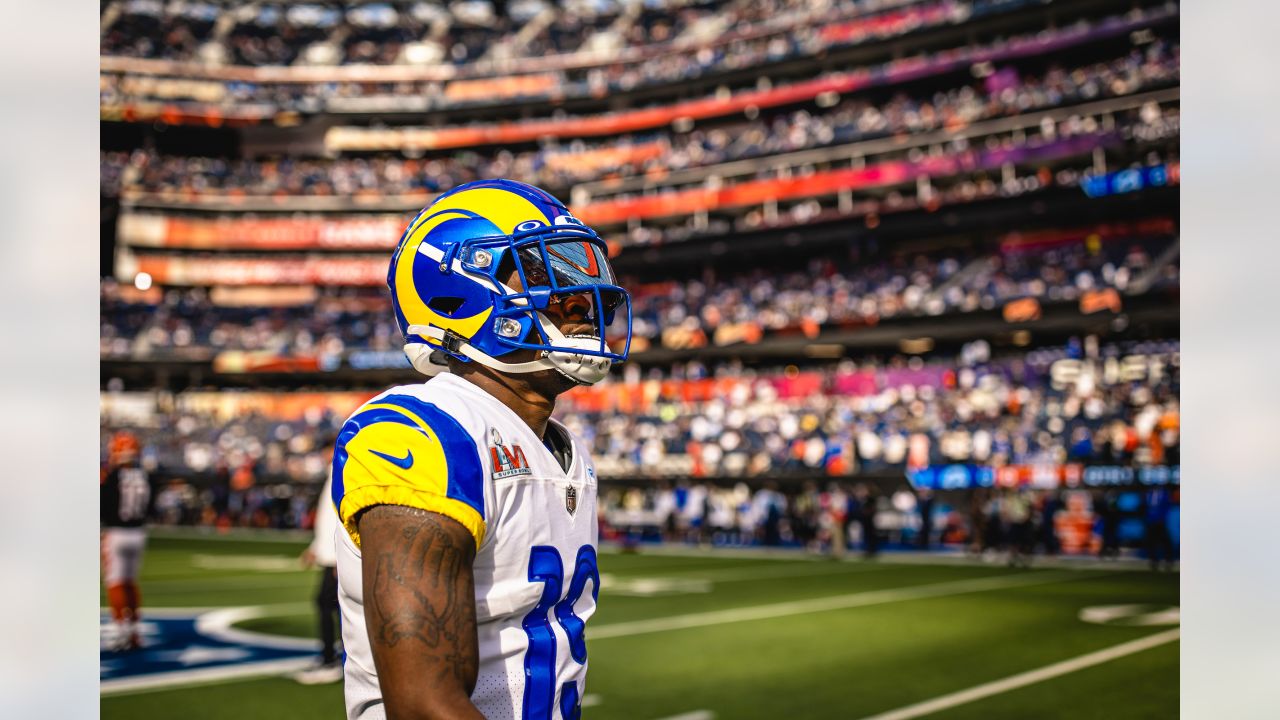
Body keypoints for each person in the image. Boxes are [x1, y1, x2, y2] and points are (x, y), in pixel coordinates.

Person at [332, 180, 631, 719]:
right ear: (457, 291)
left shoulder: (562, 449)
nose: (579, 296)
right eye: (545, 272)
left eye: (582, 273)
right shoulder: (425, 434)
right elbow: (426, 706)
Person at [100, 430, 156, 651]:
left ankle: (121, 630)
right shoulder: (146, 476)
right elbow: (150, 507)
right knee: (131, 583)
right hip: (138, 533)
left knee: (115, 582)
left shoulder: (111, 476)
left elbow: (103, 505)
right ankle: (134, 631)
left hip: (117, 533)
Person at [294, 438, 343, 685]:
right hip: (331, 555)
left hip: (337, 557)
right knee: (332, 606)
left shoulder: (341, 469)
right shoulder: (333, 470)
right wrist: (315, 547)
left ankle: (332, 660)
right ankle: (335, 658)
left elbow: (340, 516)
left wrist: (338, 557)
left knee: (330, 605)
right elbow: (327, 519)